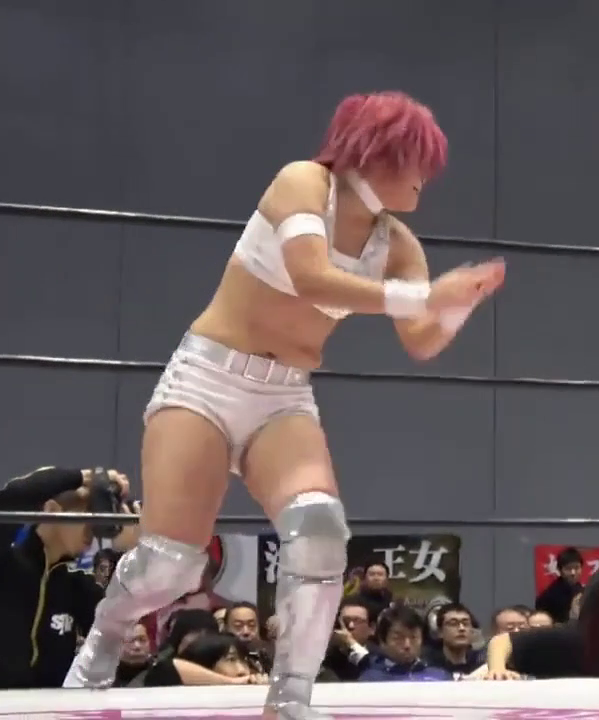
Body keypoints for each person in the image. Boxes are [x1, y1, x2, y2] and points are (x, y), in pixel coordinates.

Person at [63, 90, 506, 720]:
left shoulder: (397, 244)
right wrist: (426, 297)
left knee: (320, 531)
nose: (424, 178)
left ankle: (290, 698)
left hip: (283, 394)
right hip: (206, 379)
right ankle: (106, 634)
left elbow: (421, 340)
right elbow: (311, 276)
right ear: (376, 152)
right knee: (171, 565)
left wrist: (457, 305)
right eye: (415, 161)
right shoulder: (303, 183)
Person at [0, 467, 139, 688]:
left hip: (49, 703)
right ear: (52, 510)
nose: (93, 528)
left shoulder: (76, 585)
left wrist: (129, 550)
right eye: (87, 515)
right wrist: (89, 477)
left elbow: (121, 633)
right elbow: (14, 495)